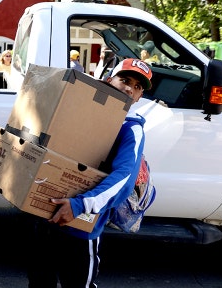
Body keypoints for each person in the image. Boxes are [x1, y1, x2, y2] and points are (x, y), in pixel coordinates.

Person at [26, 58, 153, 288]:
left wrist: (79, 205)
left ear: (139, 97)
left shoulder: (131, 129)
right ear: (108, 80)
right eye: (124, 80)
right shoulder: (78, 109)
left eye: (137, 87)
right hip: (43, 215)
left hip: (79, 227)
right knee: (38, 282)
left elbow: (124, 179)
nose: (129, 88)